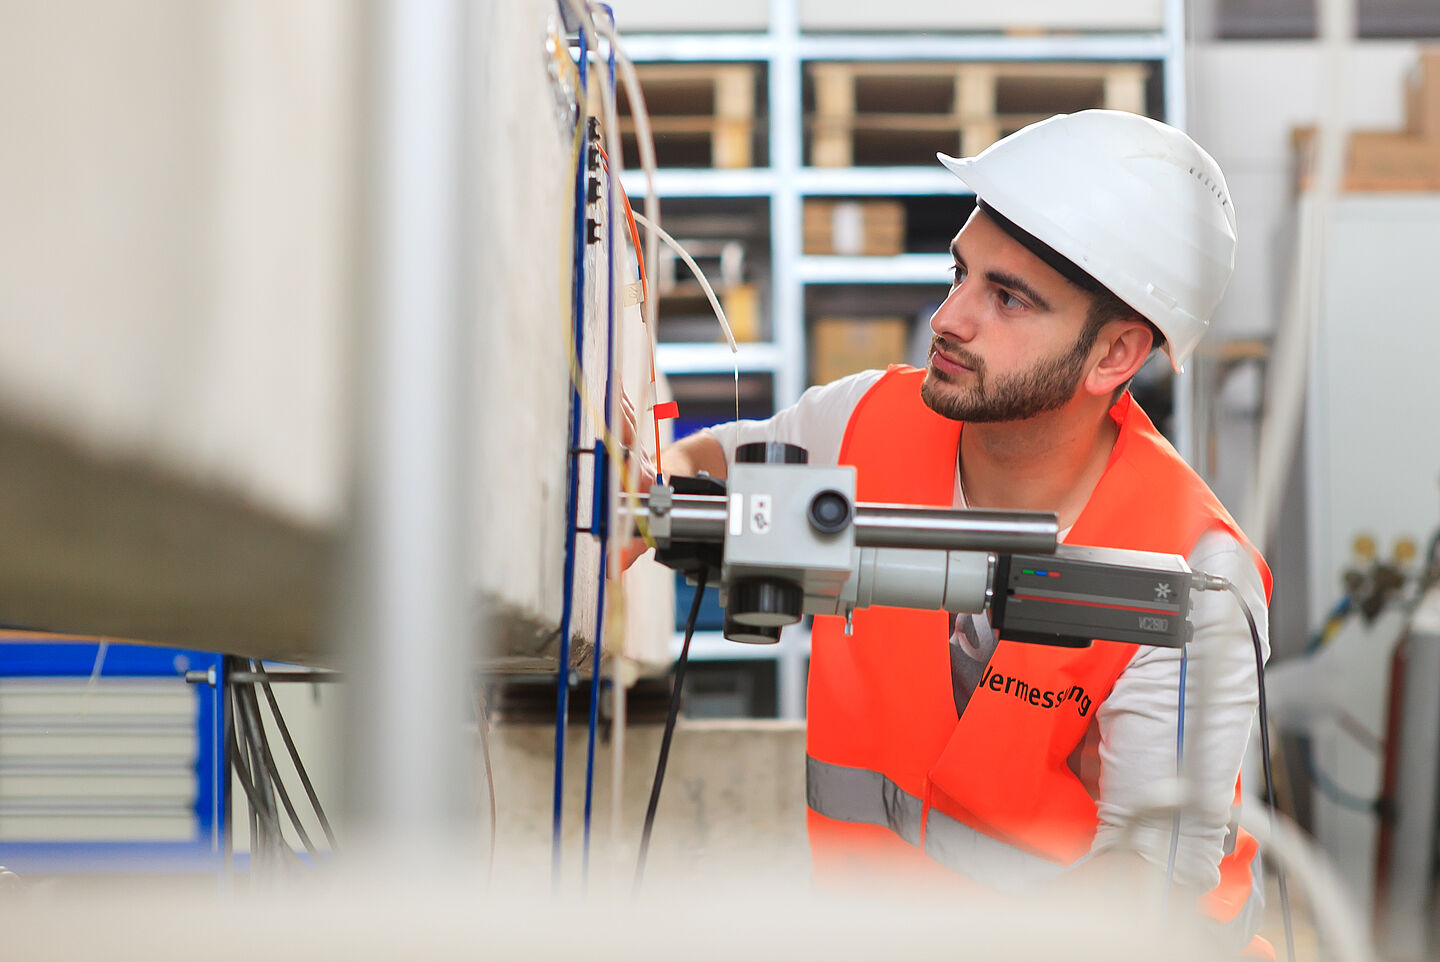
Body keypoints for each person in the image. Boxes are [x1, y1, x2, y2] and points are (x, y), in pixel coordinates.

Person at [630, 110, 1272, 955]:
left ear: (1114, 355)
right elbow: (717, 460)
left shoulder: (1191, 574)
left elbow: (1148, 894)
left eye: (1006, 298)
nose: (949, 317)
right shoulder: (864, 420)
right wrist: (647, 488)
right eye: (959, 273)